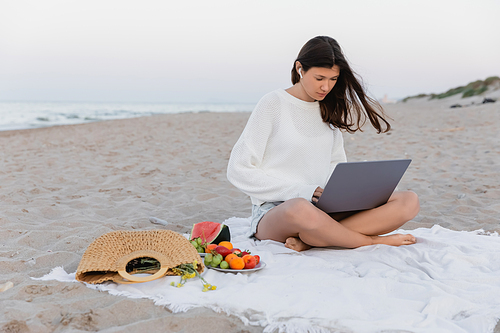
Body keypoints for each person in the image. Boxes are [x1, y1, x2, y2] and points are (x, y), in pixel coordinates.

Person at [227, 36, 419, 252]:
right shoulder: (273, 104)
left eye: (333, 79)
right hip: (278, 211)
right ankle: (371, 241)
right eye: (319, 78)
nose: (326, 86)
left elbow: (335, 166)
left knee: (408, 201)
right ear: (300, 68)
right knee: (300, 209)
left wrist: (347, 192)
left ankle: (311, 239)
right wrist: (300, 190)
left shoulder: (328, 109)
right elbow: (238, 169)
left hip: (323, 209)